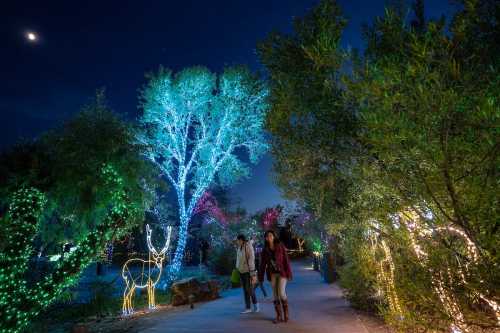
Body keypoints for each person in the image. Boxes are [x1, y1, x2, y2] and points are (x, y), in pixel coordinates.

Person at [258, 230, 292, 323]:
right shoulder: (265, 250)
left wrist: (289, 273)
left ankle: (286, 313)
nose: (269, 237)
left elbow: (286, 260)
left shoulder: (280, 246)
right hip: (272, 274)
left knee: (281, 293)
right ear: (265, 238)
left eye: (271, 235)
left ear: (274, 236)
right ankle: (278, 316)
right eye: (267, 236)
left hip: (282, 273)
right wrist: (260, 277)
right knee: (275, 295)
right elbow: (262, 265)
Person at [236, 234, 259, 314]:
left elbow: (251, 258)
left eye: (238, 240)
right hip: (241, 271)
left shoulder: (248, 246)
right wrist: (238, 268)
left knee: (249, 289)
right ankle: (248, 307)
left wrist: (252, 271)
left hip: (247, 271)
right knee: (245, 290)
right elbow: (239, 259)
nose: (237, 242)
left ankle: (256, 305)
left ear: (242, 240)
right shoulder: (240, 247)